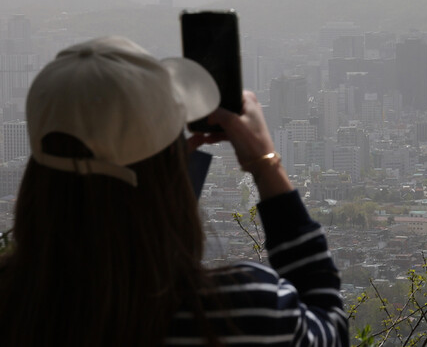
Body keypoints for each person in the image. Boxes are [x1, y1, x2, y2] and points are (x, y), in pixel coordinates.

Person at [0, 36, 348, 346]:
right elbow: (329, 321)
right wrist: (264, 163)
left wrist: (157, 175)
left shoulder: (15, 307)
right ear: (168, 170)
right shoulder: (241, 313)